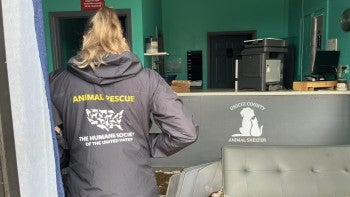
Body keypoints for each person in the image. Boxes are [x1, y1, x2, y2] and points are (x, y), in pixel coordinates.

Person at [50, 6, 199, 197]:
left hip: (84, 191)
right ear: (123, 41)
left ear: (85, 40)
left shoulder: (57, 81)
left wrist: (73, 152)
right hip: (137, 190)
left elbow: (45, 142)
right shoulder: (148, 79)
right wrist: (141, 143)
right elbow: (185, 133)